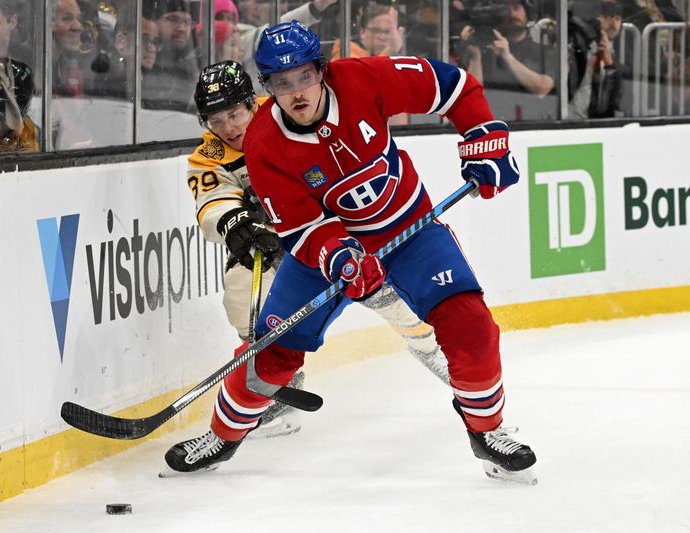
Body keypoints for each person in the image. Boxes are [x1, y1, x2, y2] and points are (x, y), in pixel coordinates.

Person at [163, 21, 536, 484]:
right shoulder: (263, 144)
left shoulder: (364, 78)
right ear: (268, 88)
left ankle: (488, 431)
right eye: (282, 83)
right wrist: (339, 256)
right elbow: (300, 227)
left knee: (471, 325)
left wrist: (483, 138)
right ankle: (224, 435)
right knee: (271, 351)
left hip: (411, 231)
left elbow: (454, 87)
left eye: (304, 76)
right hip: (329, 253)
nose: (297, 92)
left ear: (321, 71)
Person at [181, 60, 451, 440]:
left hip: (332, 231)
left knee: (382, 293)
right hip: (273, 241)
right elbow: (212, 199)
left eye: (234, 114)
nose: (228, 128)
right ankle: (277, 389)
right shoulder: (208, 155)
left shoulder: (285, 116)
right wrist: (234, 223)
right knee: (243, 295)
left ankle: (425, 343)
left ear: (252, 104)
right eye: (216, 120)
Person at [459, 0, 558, 120]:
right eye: (504, 10)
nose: (511, 14)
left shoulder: (545, 52)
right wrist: (475, 55)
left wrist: (507, 57)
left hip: (534, 127)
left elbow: (542, 88)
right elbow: (471, 100)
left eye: (516, 8)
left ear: (528, 14)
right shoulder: (482, 51)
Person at [330, 3, 405, 59]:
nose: (382, 37)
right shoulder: (346, 49)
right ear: (362, 31)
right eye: (376, 30)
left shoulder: (398, 57)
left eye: (388, 31)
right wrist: (389, 51)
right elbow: (361, 76)